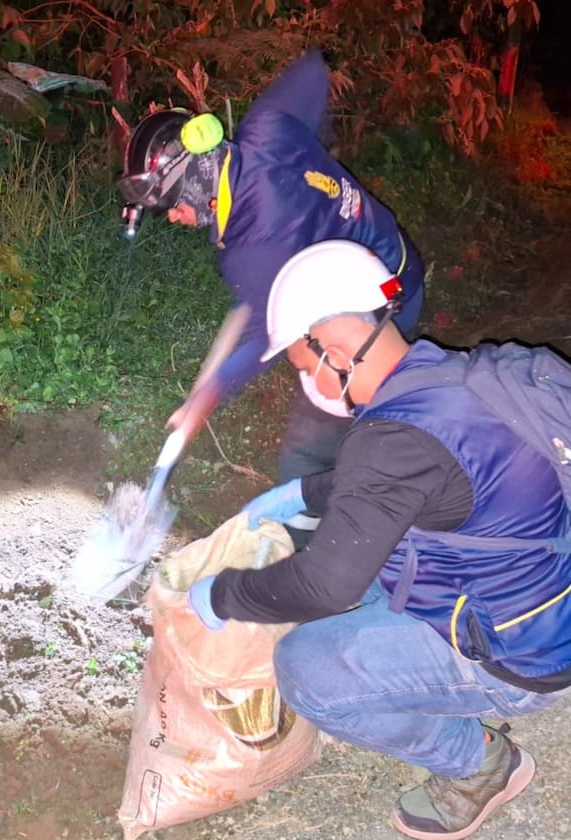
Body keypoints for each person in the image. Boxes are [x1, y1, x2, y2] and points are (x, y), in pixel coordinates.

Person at [184, 239, 571, 840]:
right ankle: (439, 687)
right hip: (554, 610)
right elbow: (413, 473)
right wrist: (304, 495)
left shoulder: (390, 440)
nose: (310, 384)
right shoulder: (448, 374)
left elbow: (323, 585)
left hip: (521, 658)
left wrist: (222, 595)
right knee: (368, 573)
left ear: (329, 345)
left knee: (305, 667)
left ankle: (479, 764)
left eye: (305, 368)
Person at [116, 50, 426, 544]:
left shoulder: (253, 253)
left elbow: (269, 336)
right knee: (382, 409)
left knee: (312, 448)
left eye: (171, 207)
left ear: (197, 185)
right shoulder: (268, 127)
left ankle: (315, 551)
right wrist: (313, 167)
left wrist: (207, 395)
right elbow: (313, 68)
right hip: (401, 263)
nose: (173, 219)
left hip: (369, 319)